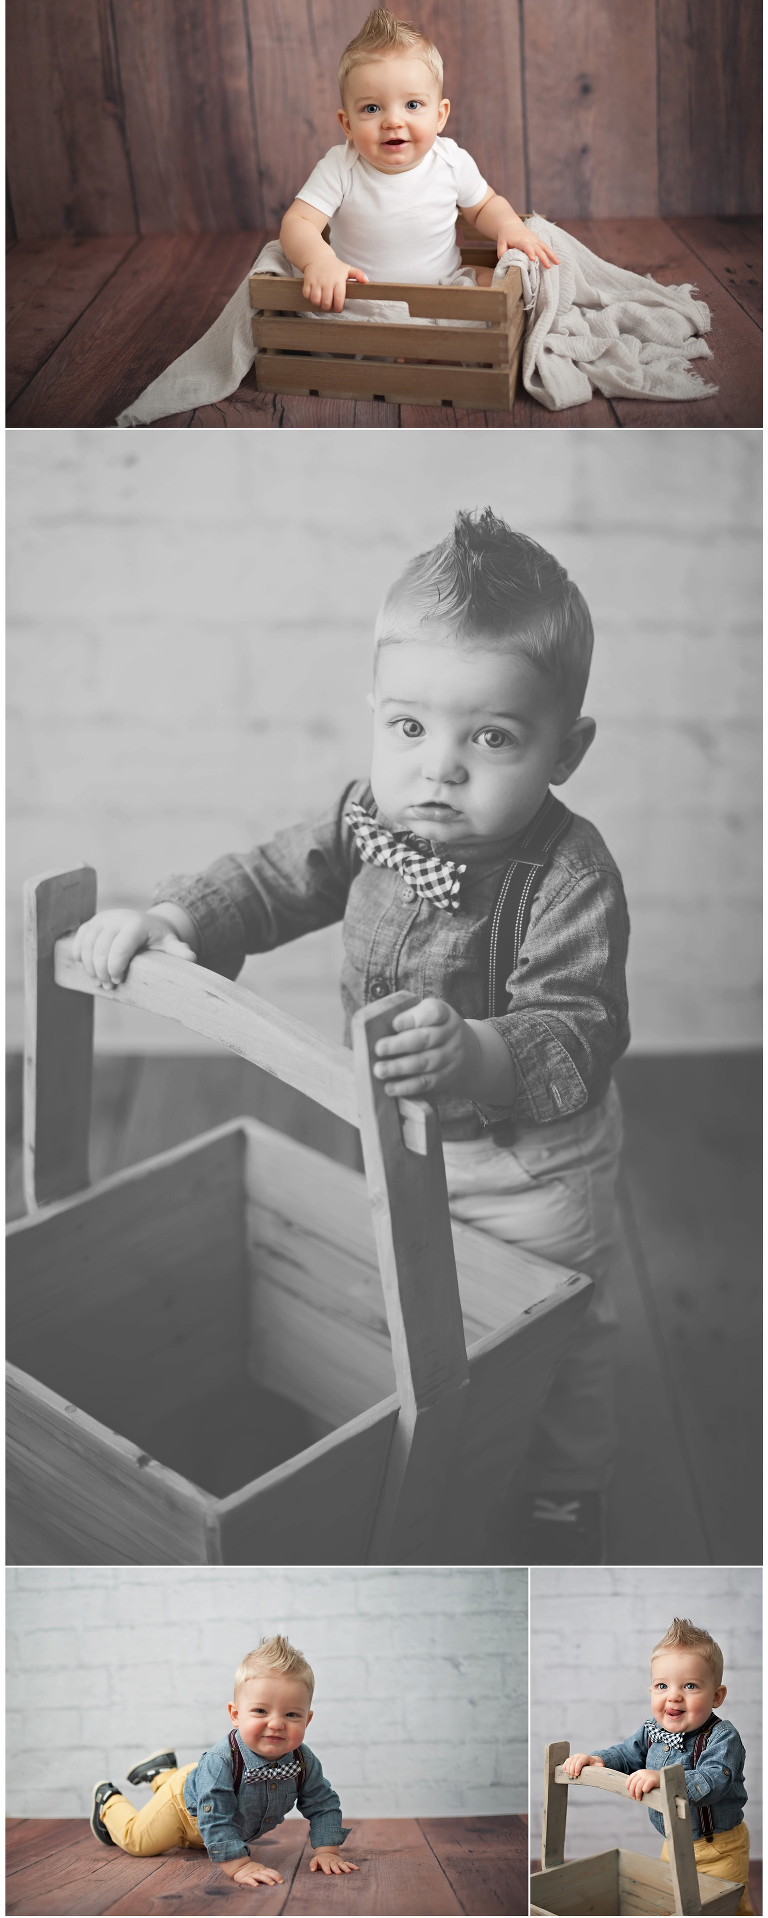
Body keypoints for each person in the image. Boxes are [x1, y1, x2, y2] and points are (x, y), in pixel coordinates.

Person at [73, 506, 629, 1562]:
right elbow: (274, 880)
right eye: (410, 729)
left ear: (568, 747)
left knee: (560, 1327)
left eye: (493, 738)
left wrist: (480, 1054)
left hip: (529, 1162)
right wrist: (176, 920)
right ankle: (423, 1417)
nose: (440, 771)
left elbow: (578, 1027)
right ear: (374, 715)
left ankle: (566, 1482)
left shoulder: (569, 874)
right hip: (399, 1144)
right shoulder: (364, 821)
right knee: (421, 1300)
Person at [279, 6, 558, 310]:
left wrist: (508, 225)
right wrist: (320, 260)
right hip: (361, 300)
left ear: (440, 116)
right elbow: (299, 221)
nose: (393, 121)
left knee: (505, 290)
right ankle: (412, 349)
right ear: (347, 124)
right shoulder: (340, 167)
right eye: (372, 109)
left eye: (412, 104)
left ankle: (444, 343)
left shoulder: (450, 160)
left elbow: (484, 207)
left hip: (443, 289)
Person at [90, 1635, 358, 1887]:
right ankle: (109, 1801)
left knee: (193, 1843)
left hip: (208, 1811)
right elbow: (215, 1817)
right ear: (235, 1714)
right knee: (138, 1842)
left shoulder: (303, 1762)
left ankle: (161, 1773)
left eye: (291, 1714)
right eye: (261, 1710)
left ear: (307, 1720)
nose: (276, 1723)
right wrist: (239, 1865)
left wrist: (328, 1850)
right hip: (186, 1811)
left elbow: (322, 1803)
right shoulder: (221, 1761)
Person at [563, 1616, 753, 1915]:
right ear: (651, 1691)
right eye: (662, 1685)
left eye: (690, 1685)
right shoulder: (652, 1731)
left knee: (723, 1906)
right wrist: (598, 1759)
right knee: (675, 1902)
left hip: (718, 1847)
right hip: (673, 1841)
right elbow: (627, 1754)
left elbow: (714, 1779)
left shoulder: (722, 1737)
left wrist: (666, 1780)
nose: (673, 1695)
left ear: (716, 1696)